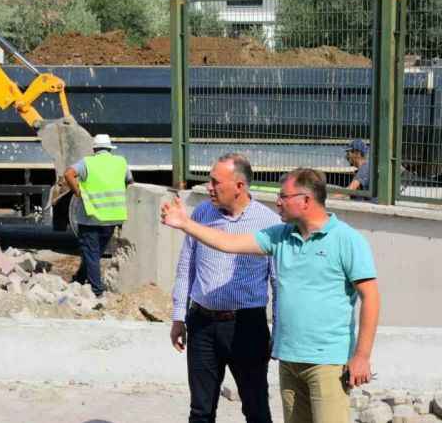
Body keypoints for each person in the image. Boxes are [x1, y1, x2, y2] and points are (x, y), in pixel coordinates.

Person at [161, 168, 380, 423]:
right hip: (289, 360)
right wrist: (186, 224)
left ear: (306, 200)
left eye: (283, 196)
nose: (277, 202)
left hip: (327, 362)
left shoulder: (347, 239)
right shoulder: (280, 236)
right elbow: (228, 243)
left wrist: (361, 356)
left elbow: (371, 298)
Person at [171, 153, 280, 423]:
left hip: (246, 326)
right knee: (201, 410)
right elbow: (187, 266)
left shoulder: (269, 223)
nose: (209, 187)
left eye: (215, 181)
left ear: (239, 186)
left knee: (255, 408)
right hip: (202, 324)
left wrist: (279, 331)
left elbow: (278, 282)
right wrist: (178, 316)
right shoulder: (202, 214)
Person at [64, 134, 133, 297]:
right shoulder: (121, 162)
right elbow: (130, 182)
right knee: (94, 252)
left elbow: (68, 174)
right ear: (110, 148)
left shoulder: (88, 162)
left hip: (91, 216)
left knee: (91, 253)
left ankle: (96, 290)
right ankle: (79, 279)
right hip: (113, 217)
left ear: (94, 149)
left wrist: (78, 192)